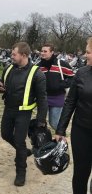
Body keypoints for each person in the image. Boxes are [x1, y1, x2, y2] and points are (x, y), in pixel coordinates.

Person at [0, 42, 47, 186]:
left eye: (14, 54)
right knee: (5, 134)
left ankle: (21, 172)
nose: (11, 56)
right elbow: (1, 85)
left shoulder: (37, 73)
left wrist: (41, 120)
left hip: (24, 113)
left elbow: (42, 99)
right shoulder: (8, 68)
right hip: (9, 109)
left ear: (24, 55)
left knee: (19, 141)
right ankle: (24, 151)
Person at [55, 37, 92, 194]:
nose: (85, 55)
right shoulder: (82, 73)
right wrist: (60, 129)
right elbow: (70, 102)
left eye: (88, 52)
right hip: (82, 131)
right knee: (80, 173)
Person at [37, 43, 74, 130]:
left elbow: (72, 78)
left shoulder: (61, 64)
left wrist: (61, 85)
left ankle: (62, 139)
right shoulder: (38, 66)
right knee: (40, 123)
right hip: (43, 98)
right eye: (41, 51)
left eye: (45, 51)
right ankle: (44, 141)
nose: (42, 53)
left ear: (52, 52)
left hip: (57, 98)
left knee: (54, 123)